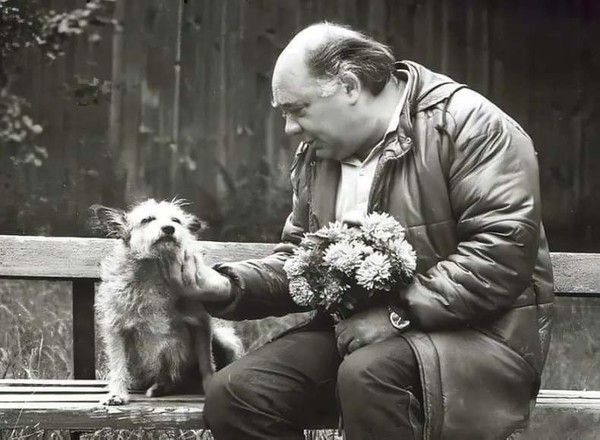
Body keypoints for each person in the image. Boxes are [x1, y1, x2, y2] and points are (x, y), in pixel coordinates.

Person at [163, 22, 554, 440]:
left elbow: (498, 254)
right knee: (236, 395)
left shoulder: (469, 126)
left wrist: (396, 315)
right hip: (358, 338)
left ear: (349, 85)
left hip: (479, 339)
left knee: (369, 375)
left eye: (297, 109)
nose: (289, 128)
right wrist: (225, 286)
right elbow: (302, 260)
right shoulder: (320, 153)